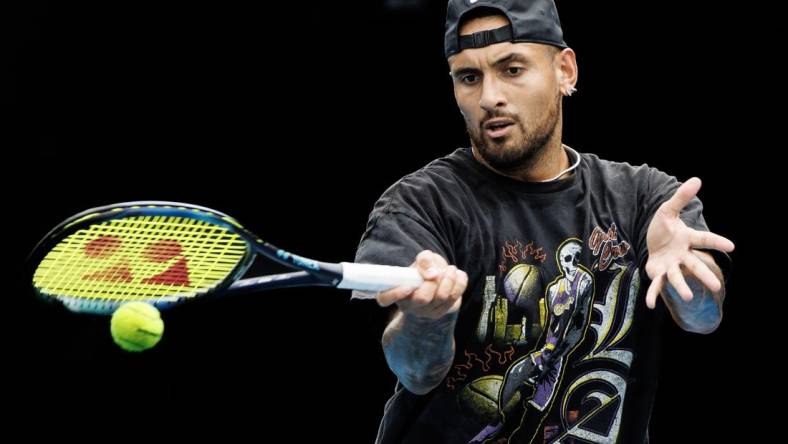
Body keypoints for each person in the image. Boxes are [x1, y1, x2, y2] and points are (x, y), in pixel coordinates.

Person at [352, 1, 734, 442]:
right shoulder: (419, 206)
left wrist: (684, 278)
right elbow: (416, 373)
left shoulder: (644, 198)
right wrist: (428, 318)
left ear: (565, 71)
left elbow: (703, 319)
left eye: (512, 69)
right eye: (469, 77)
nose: (489, 97)